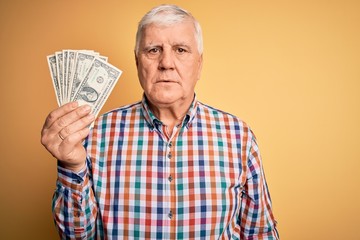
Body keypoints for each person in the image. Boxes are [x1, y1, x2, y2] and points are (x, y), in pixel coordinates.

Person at [41, 4, 279, 239]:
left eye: (181, 50)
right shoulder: (94, 133)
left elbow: (260, 233)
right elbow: (77, 237)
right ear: (137, 62)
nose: (166, 62)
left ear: (199, 64)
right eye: (153, 50)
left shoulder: (238, 136)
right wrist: (72, 166)